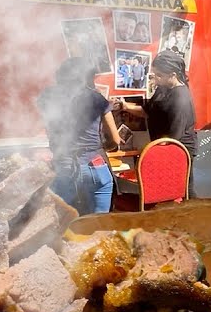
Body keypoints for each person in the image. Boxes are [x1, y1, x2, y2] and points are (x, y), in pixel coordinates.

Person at [37, 57, 122, 214]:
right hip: (94, 166)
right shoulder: (97, 98)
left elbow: (51, 130)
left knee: (63, 224)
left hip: (64, 167)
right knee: (98, 227)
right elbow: (116, 140)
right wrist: (102, 146)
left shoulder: (48, 98)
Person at [115, 50, 198, 194]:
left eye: (159, 75)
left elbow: (172, 139)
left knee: (181, 192)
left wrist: (149, 156)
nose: (156, 79)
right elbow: (147, 111)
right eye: (154, 74)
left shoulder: (180, 99)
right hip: (162, 147)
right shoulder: (163, 88)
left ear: (173, 75)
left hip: (179, 152)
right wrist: (125, 106)